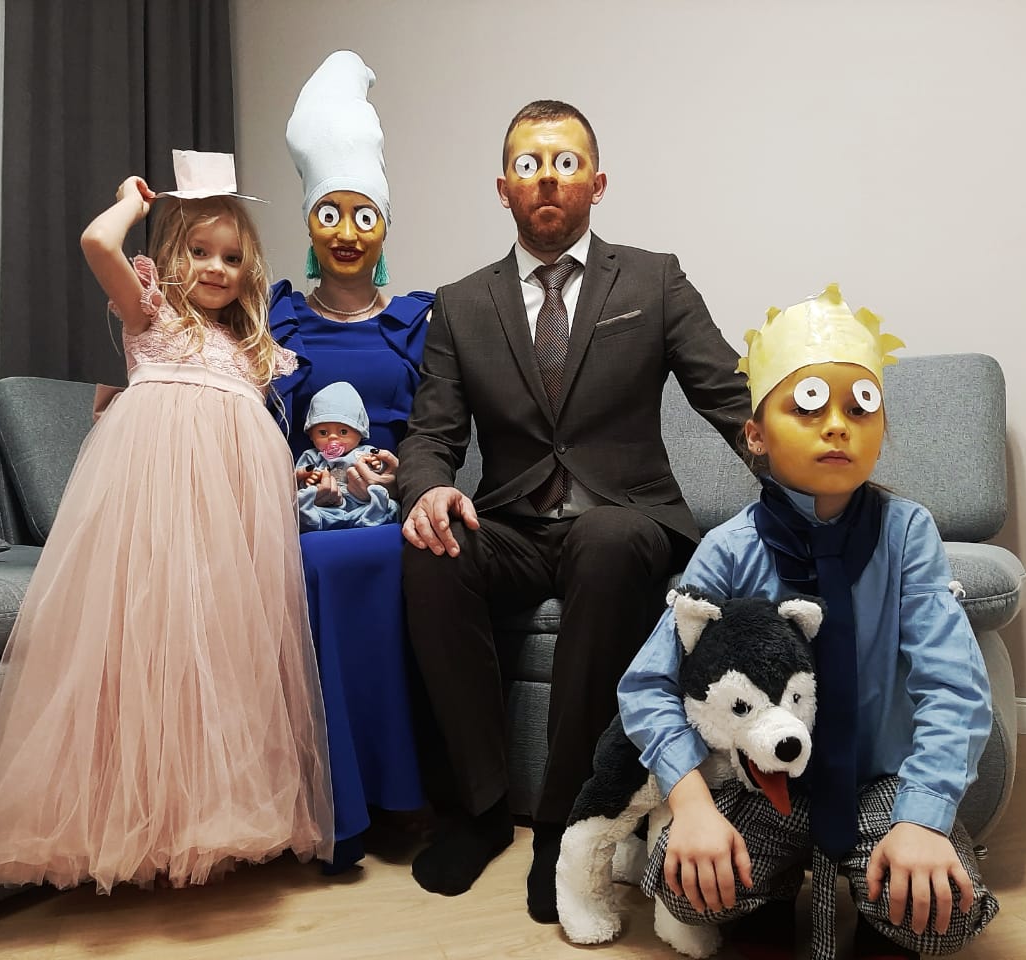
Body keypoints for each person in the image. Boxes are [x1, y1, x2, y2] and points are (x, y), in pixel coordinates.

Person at [396, 99, 750, 922]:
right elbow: (431, 435)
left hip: (626, 520)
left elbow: (729, 396)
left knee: (607, 538)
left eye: (565, 162)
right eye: (529, 164)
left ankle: (565, 824)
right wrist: (428, 489)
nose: (547, 178)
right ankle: (481, 810)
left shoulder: (654, 279)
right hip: (514, 525)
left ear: (597, 182)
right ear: (504, 188)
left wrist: (806, 482)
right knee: (431, 550)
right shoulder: (461, 303)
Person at [0, 150, 334, 893]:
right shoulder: (150, 311)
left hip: (233, 522)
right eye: (199, 252)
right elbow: (97, 242)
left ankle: (209, 818)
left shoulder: (249, 348)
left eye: (231, 257)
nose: (216, 268)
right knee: (151, 643)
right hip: (157, 506)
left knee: (222, 653)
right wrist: (132, 200)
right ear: (167, 258)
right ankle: (132, 825)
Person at [618, 285, 999, 960]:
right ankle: (765, 899)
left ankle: (880, 904)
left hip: (879, 780)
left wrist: (923, 816)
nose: (837, 426)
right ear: (756, 435)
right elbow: (649, 685)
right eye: (809, 406)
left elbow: (954, 684)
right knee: (689, 889)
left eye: (862, 408)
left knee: (943, 914)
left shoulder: (907, 534)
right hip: (765, 782)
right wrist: (692, 804)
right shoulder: (729, 549)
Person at [267, 50, 432, 872]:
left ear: (384, 228)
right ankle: (331, 802)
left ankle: (398, 794)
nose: (345, 232)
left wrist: (409, 474)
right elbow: (247, 411)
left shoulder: (416, 322)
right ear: (309, 225)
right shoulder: (280, 320)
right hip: (304, 505)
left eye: (363, 216)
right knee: (310, 561)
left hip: (390, 508)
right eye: (329, 214)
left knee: (363, 559)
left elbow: (442, 426)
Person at [296, 380, 399, 531]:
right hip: (328, 506)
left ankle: (373, 514)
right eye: (323, 432)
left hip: (361, 504)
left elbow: (381, 470)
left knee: (390, 505)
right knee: (305, 505)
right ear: (311, 435)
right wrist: (311, 479)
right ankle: (313, 519)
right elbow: (299, 479)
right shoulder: (312, 456)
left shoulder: (365, 451)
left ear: (360, 433)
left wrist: (377, 465)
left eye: (343, 432)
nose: (332, 437)